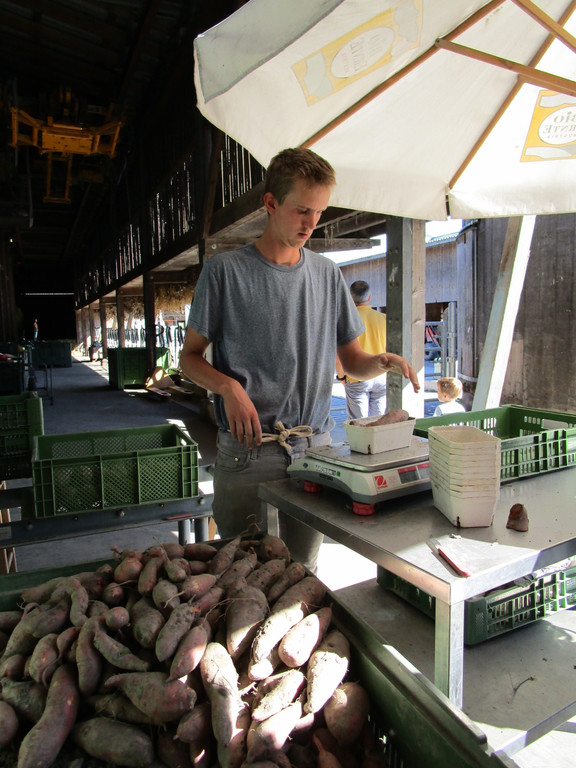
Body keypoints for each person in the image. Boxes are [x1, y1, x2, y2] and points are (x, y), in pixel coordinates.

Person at [179, 147, 419, 572]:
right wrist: (227, 387)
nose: (312, 224)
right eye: (302, 211)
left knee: (302, 573)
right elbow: (190, 359)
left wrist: (381, 362)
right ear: (271, 203)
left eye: (320, 212)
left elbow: (352, 362)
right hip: (248, 450)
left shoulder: (327, 275)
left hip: (315, 450)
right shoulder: (225, 271)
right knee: (242, 576)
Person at [335, 280, 388, 420]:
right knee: (378, 422)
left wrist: (341, 376)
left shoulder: (345, 321)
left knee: (358, 424)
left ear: (349, 297)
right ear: (369, 297)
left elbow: (338, 355)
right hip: (381, 375)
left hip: (356, 375)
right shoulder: (384, 319)